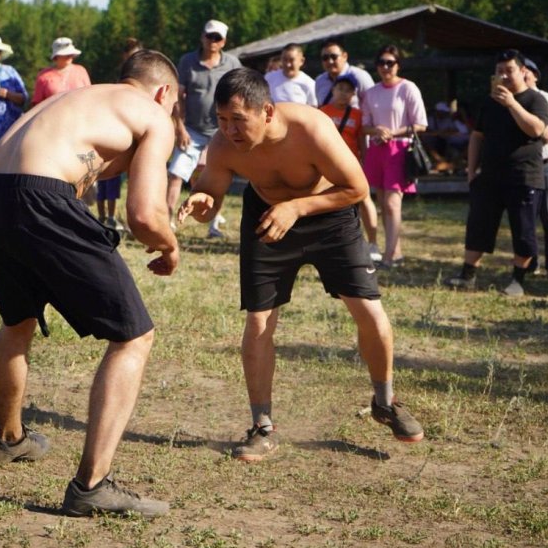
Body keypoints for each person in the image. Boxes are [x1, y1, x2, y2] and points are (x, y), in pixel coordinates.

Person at [0, 49, 180, 517]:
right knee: (134, 337)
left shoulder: (80, 99)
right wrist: (169, 245)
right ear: (164, 92)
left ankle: (10, 440)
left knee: (18, 319)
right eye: (174, 106)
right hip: (41, 195)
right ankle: (92, 486)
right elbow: (144, 214)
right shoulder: (152, 113)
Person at [178, 68, 424, 462]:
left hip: (331, 214)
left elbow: (357, 188)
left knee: (371, 314)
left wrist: (296, 207)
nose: (230, 130)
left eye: (239, 120)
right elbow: (211, 198)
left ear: (268, 112)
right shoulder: (223, 146)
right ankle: (262, 426)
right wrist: (203, 202)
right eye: (223, 120)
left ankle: (385, 402)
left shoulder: (312, 128)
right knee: (258, 322)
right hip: (268, 219)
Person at [444, 50, 548, 297]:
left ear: (523, 71)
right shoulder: (490, 102)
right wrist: (471, 171)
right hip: (490, 176)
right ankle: (467, 274)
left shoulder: (536, 100)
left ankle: (518, 281)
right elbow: (477, 136)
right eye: (499, 71)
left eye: (509, 70)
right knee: (479, 225)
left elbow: (536, 129)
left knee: (523, 230)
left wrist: (512, 103)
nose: (503, 76)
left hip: (524, 177)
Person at [167, 19, 241, 238]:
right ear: (202, 37)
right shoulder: (187, 61)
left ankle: (213, 225)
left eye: (217, 37)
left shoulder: (232, 64)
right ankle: (167, 221)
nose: (212, 41)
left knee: (217, 177)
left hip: (221, 132)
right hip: (191, 130)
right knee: (175, 174)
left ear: (224, 41)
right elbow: (178, 96)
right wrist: (179, 128)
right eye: (209, 36)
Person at [360, 45, 428, 270]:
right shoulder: (371, 92)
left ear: (398, 64)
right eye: (381, 62)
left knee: (392, 202)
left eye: (390, 62)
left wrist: (393, 132)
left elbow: (421, 124)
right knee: (382, 201)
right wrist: (378, 130)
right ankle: (394, 251)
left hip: (400, 149)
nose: (385, 67)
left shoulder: (408, 88)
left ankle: (389, 256)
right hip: (377, 149)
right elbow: (365, 126)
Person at [319, 74, 380, 258]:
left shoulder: (357, 114)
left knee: (364, 198)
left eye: (348, 90)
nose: (344, 93)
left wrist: (365, 162)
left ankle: (373, 243)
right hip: (326, 164)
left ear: (354, 94)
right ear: (333, 90)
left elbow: (362, 140)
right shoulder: (322, 111)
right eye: (340, 89)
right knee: (326, 202)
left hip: (352, 164)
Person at [96, 38, 143, 229]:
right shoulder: (121, 78)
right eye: (129, 57)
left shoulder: (147, 76)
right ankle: (106, 217)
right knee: (108, 179)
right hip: (120, 134)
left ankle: (135, 220)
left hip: (140, 134)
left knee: (137, 180)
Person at [524, 58, 548, 280]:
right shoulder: (516, 101)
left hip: (547, 164)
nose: (524, 75)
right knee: (527, 217)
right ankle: (531, 262)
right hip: (526, 166)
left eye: (527, 71)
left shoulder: (546, 98)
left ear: (536, 75)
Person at [31, 37, 92, 107]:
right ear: (56, 56)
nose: (69, 56)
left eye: (70, 54)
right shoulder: (44, 76)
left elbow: (89, 96)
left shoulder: (81, 71)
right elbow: (37, 104)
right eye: (66, 54)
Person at [314, 37, 374, 108]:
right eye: (325, 58)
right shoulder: (320, 81)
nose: (330, 61)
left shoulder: (359, 76)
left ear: (345, 56)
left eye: (334, 57)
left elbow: (373, 106)